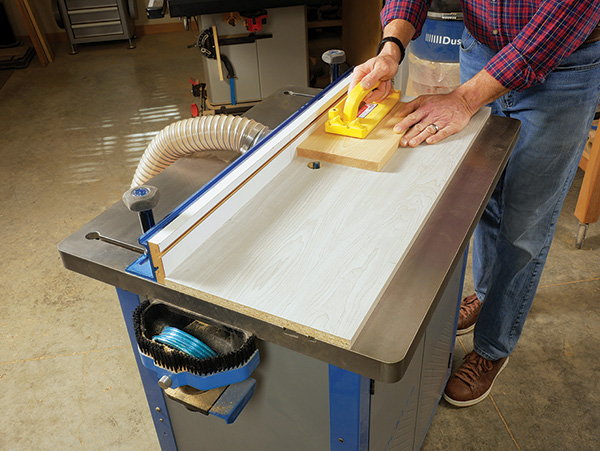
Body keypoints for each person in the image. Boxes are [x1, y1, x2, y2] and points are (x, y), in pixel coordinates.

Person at [350, 0, 600, 407]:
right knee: (484, 200)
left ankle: (493, 346)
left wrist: (466, 99)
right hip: (481, 51)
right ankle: (486, 293)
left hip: (561, 68)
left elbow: (560, 20)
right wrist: (391, 47)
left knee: (525, 225)